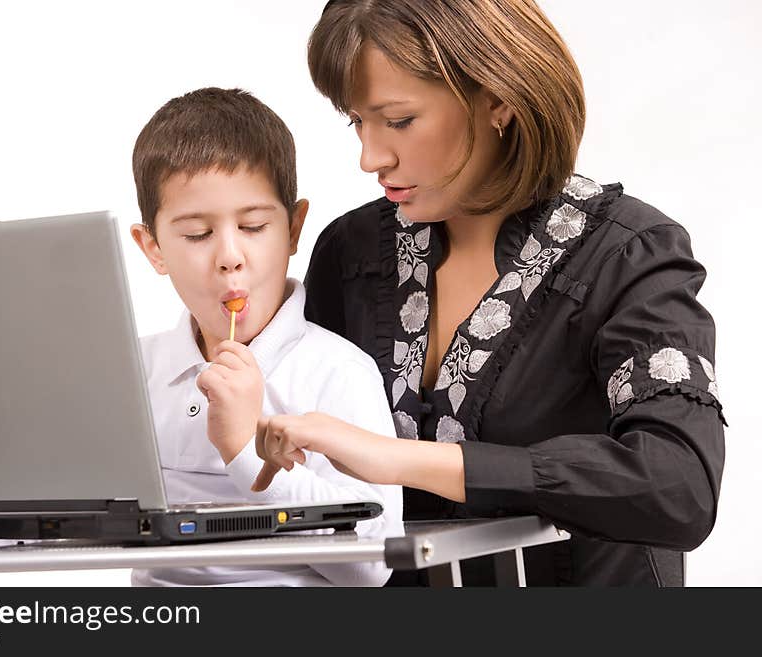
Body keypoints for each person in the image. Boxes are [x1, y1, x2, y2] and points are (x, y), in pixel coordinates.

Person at [251, 0, 726, 586]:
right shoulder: (351, 254)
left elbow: (679, 487)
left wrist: (402, 459)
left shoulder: (629, 254)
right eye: (357, 121)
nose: (370, 157)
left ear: (499, 99)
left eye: (398, 121)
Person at [0, 87, 403, 587]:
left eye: (253, 226)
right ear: (152, 248)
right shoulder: (133, 374)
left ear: (293, 229)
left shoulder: (337, 371)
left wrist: (246, 452)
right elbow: (38, 501)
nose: (229, 256)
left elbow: (372, 566)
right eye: (197, 234)